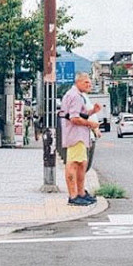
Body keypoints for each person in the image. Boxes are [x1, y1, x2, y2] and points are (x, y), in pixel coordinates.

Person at [60, 72, 101, 206]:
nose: (89, 85)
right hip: (76, 135)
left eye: (89, 83)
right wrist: (91, 124)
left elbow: (79, 114)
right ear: (78, 82)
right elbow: (74, 118)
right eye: (86, 82)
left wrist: (92, 112)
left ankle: (80, 193)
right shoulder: (76, 96)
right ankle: (74, 195)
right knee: (74, 164)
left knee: (81, 163)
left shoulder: (76, 95)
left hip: (78, 135)